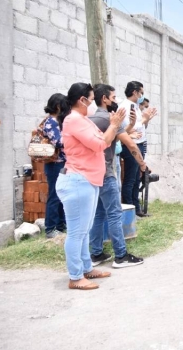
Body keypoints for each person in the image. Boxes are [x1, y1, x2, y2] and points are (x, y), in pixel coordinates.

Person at [55, 82, 126, 290]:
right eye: (91, 98)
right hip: (78, 181)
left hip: (87, 180)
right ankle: (75, 276)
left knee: (84, 231)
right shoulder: (73, 120)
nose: (93, 103)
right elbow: (99, 144)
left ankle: (86, 269)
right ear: (82, 100)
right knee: (77, 232)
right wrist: (113, 126)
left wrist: (113, 127)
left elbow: (103, 142)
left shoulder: (82, 120)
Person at [89, 84, 147, 268]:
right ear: (104, 99)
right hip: (107, 173)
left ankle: (96, 253)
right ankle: (121, 255)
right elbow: (130, 144)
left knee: (99, 214)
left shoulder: (90, 119)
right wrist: (143, 164)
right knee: (114, 214)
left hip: (94, 174)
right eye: (113, 98)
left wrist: (128, 126)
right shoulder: (110, 120)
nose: (116, 101)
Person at [119, 81, 157, 217]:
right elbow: (128, 128)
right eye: (141, 93)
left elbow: (139, 126)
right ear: (134, 92)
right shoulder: (125, 107)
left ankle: (137, 209)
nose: (142, 96)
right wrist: (144, 119)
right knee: (130, 180)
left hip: (139, 144)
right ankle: (130, 211)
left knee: (136, 179)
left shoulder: (134, 106)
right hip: (131, 145)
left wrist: (147, 119)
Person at [42, 94, 67, 238]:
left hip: (62, 163)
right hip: (54, 165)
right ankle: (50, 228)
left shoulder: (58, 121)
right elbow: (58, 142)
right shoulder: (50, 122)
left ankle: (60, 225)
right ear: (58, 106)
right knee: (54, 195)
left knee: (62, 195)